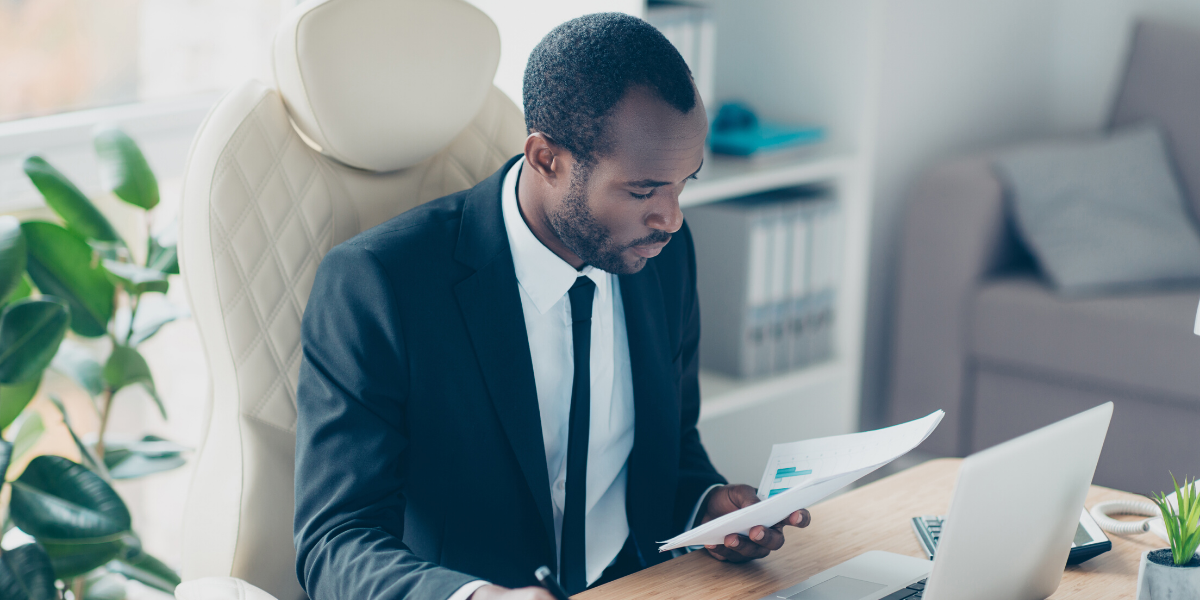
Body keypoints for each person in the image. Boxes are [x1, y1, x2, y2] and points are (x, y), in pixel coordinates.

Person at [293, 12, 810, 600]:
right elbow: (335, 540)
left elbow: (671, 448)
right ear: (546, 159)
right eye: (643, 190)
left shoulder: (661, 253)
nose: (671, 218)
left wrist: (706, 507)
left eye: (684, 182)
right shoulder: (377, 284)